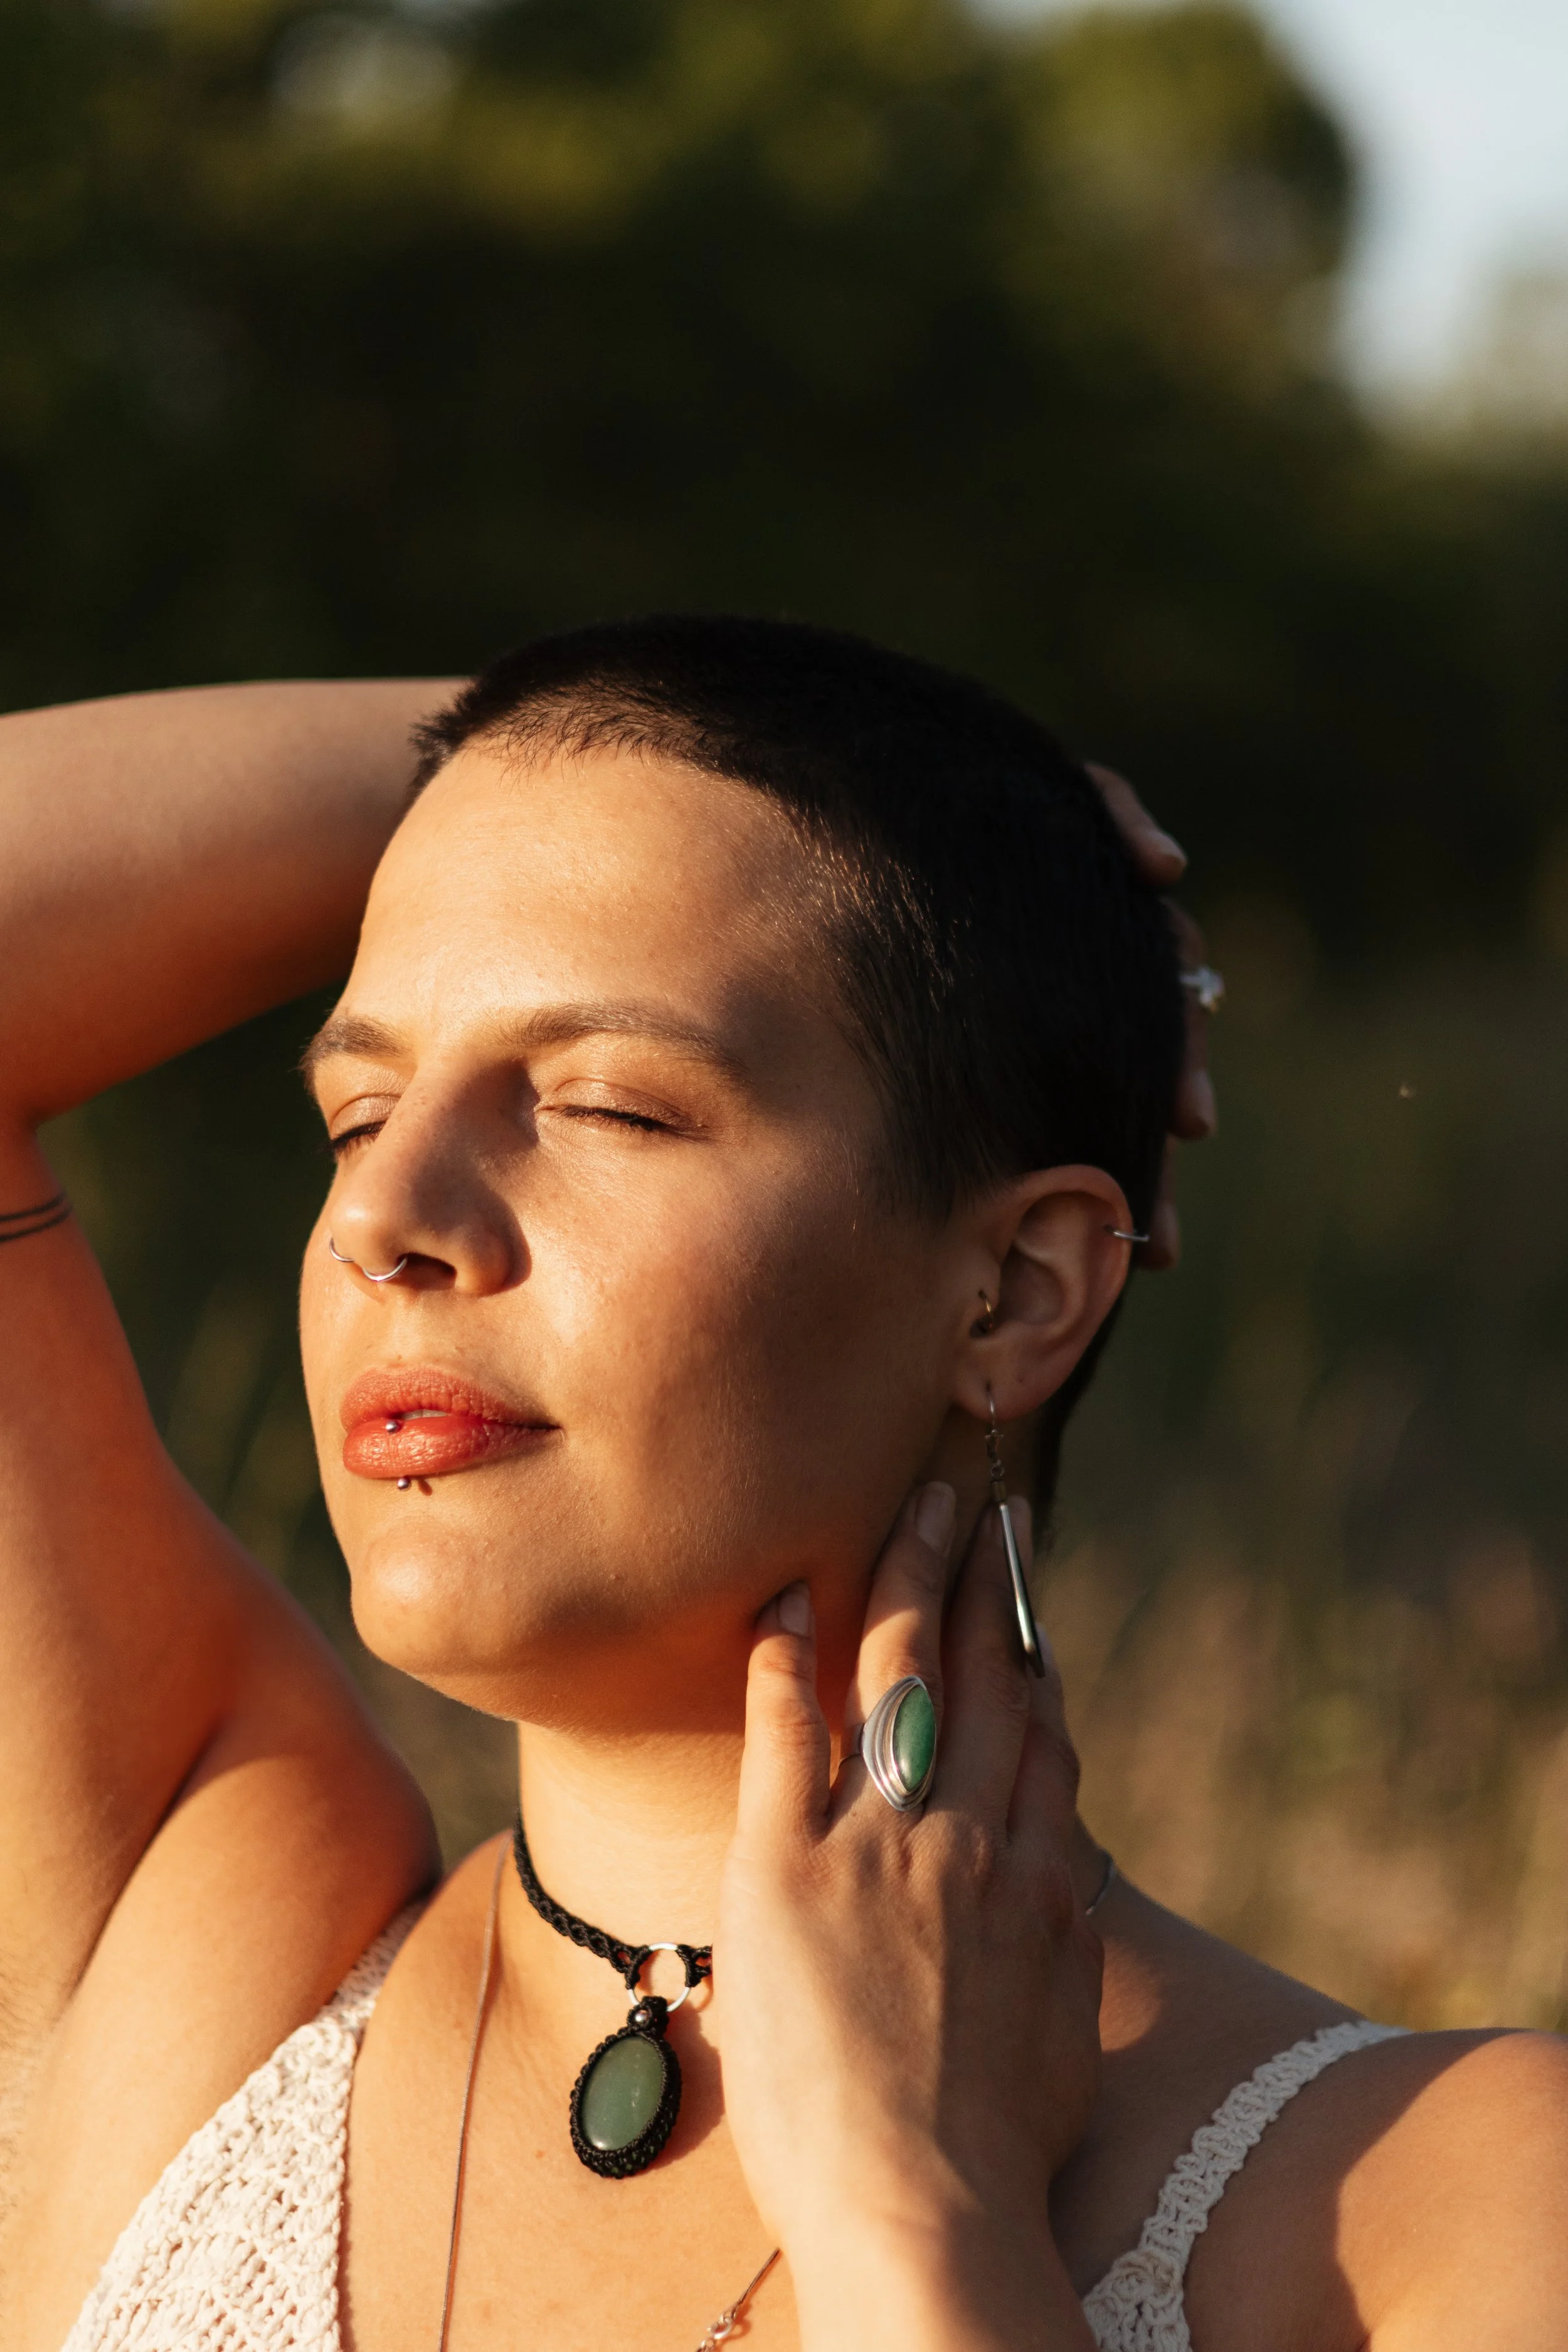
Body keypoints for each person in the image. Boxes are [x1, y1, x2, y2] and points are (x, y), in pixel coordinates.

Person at [0, 617, 1562, 2352]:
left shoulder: (1453, 2195)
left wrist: (919, 2208)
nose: (386, 1219)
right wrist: (597, 744)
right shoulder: (215, 1949)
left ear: (1016, 1293)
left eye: (605, 1104)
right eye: (356, 1118)